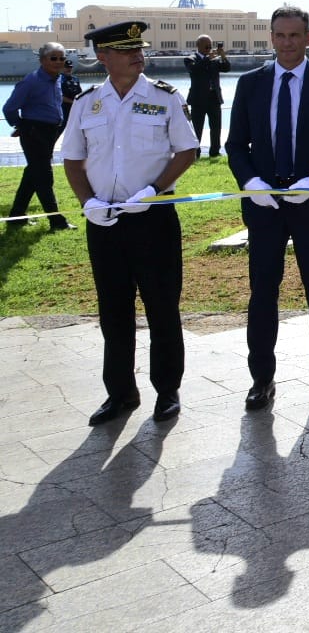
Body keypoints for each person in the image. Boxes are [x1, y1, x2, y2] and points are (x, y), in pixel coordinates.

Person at [60, 22, 198, 424]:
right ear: (103, 57)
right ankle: (120, 393)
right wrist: (88, 203)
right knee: (113, 310)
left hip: (152, 218)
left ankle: (167, 390)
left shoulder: (164, 97)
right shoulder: (87, 104)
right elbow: (72, 159)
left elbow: (186, 150)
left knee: (162, 307)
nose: (138, 55)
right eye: (125, 49)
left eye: (139, 48)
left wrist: (154, 190)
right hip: (104, 220)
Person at [225, 5, 309, 411]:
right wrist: (250, 183)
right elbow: (235, 146)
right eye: (280, 36)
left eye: (294, 35)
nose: (287, 43)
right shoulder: (250, 84)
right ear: (271, 38)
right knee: (263, 292)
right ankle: (262, 378)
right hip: (264, 206)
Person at [4, 42, 73, 231]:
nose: (58, 62)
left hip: (50, 132)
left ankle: (16, 216)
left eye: (62, 58)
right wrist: (21, 125)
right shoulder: (31, 81)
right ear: (42, 60)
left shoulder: (57, 78)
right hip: (34, 132)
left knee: (33, 174)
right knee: (44, 176)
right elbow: (9, 108)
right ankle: (56, 221)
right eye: (53, 58)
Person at [183, 35, 232, 157]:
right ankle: (196, 152)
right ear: (198, 46)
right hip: (198, 99)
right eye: (206, 46)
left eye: (210, 46)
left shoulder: (214, 60)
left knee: (216, 127)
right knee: (197, 127)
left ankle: (215, 151)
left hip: (214, 97)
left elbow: (226, 68)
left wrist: (222, 56)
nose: (209, 49)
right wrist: (207, 59)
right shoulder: (190, 59)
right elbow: (195, 70)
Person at [59, 57, 82, 124]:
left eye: (70, 67)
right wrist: (73, 102)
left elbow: (80, 93)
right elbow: (59, 96)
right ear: (62, 68)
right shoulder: (59, 80)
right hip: (64, 110)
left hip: (75, 109)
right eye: (66, 67)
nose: (69, 69)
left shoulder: (75, 79)